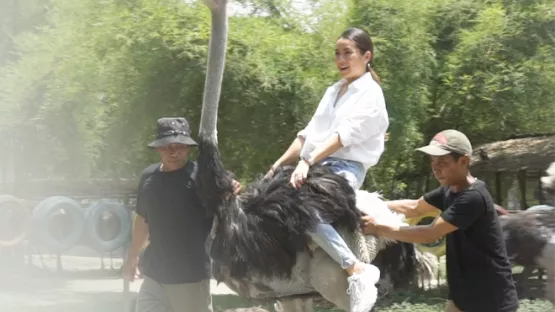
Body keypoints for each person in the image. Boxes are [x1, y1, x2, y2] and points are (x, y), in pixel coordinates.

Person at [265, 27, 389, 312]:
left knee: (305, 209)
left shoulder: (371, 93)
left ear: (366, 56)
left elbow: (342, 137)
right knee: (268, 203)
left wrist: (307, 163)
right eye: (337, 53)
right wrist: (278, 164)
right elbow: (308, 135)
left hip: (345, 167)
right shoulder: (333, 91)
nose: (341, 59)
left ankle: (355, 269)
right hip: (316, 165)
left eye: (348, 53)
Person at [361, 129, 519, 312]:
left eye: (443, 162)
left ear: (464, 161)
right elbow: (414, 207)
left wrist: (378, 228)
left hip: (491, 298)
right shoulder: (449, 190)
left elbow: (430, 233)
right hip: (465, 295)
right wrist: (368, 203)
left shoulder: (473, 197)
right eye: (433, 161)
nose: (436, 167)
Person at [122, 117, 241, 312]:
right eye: (167, 146)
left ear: (188, 148)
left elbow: (230, 191)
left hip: (190, 279)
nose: (173, 151)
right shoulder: (148, 177)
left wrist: (234, 187)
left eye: (179, 146)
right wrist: (132, 257)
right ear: (158, 149)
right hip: (154, 276)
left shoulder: (203, 176)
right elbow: (143, 221)